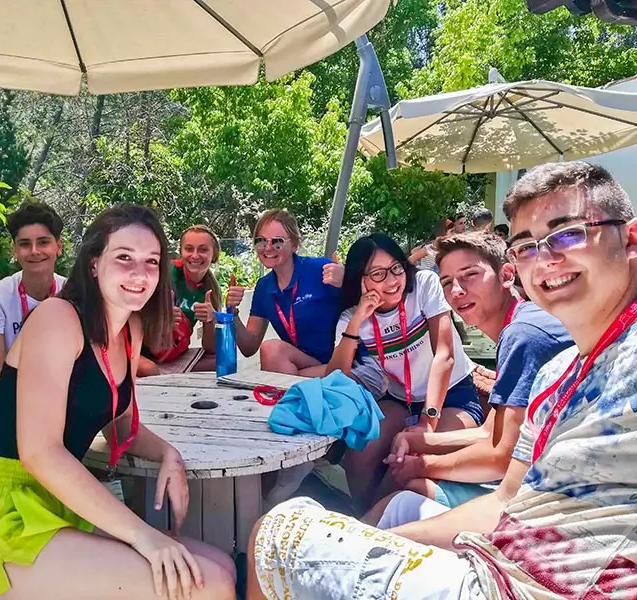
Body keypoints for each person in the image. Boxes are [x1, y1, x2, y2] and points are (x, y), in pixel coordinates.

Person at [247, 161, 637, 600]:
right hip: (501, 555)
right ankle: (361, 515)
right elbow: (505, 495)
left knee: (275, 532)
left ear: (630, 240)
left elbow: (448, 363)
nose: (545, 260)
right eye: (527, 246)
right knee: (371, 454)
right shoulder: (556, 371)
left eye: (568, 235)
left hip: (453, 407)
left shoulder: (525, 334)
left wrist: (426, 434)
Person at [0, 204, 235, 600]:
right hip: (0, 513)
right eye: (124, 258)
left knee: (223, 567)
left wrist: (169, 454)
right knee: (205, 585)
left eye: (151, 261)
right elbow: (39, 453)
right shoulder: (57, 318)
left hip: (59, 501)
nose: (139, 273)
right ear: (94, 264)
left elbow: (121, 422)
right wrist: (142, 534)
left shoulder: (129, 328)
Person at [364, 232, 572, 527]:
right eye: (447, 282)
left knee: (409, 489)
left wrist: (420, 465)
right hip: (541, 477)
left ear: (507, 275)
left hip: (551, 501)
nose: (457, 290)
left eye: (470, 275)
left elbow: (500, 456)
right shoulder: (521, 323)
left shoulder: (522, 334)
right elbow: (490, 432)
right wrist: (418, 439)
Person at [327, 233, 482, 511]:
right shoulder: (352, 317)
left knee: (409, 457)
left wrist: (427, 421)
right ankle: (362, 516)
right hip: (402, 399)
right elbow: (334, 377)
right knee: (361, 450)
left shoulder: (424, 285)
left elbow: (444, 355)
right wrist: (359, 318)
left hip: (452, 394)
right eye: (378, 273)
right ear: (360, 279)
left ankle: (369, 527)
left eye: (396, 267)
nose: (392, 280)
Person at [0, 202, 66, 427]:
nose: (35, 251)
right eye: (25, 244)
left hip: (49, 395)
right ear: (15, 250)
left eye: (44, 242)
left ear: (59, 246)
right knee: (25, 424)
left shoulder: (71, 294)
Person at [226, 209, 343, 377]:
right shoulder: (264, 287)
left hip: (343, 365)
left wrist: (348, 280)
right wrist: (232, 312)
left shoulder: (321, 270)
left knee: (284, 376)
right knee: (271, 350)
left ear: (294, 244)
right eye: (260, 241)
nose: (268, 247)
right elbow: (249, 348)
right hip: (307, 365)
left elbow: (368, 303)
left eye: (277, 242)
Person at [138, 225, 222, 376]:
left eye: (203, 250)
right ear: (181, 252)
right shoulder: (166, 273)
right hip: (142, 351)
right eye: (189, 249)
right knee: (150, 370)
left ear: (214, 255)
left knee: (219, 361)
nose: (195, 255)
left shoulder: (210, 290)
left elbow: (210, 348)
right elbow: (131, 312)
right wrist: (160, 317)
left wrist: (210, 320)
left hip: (173, 356)